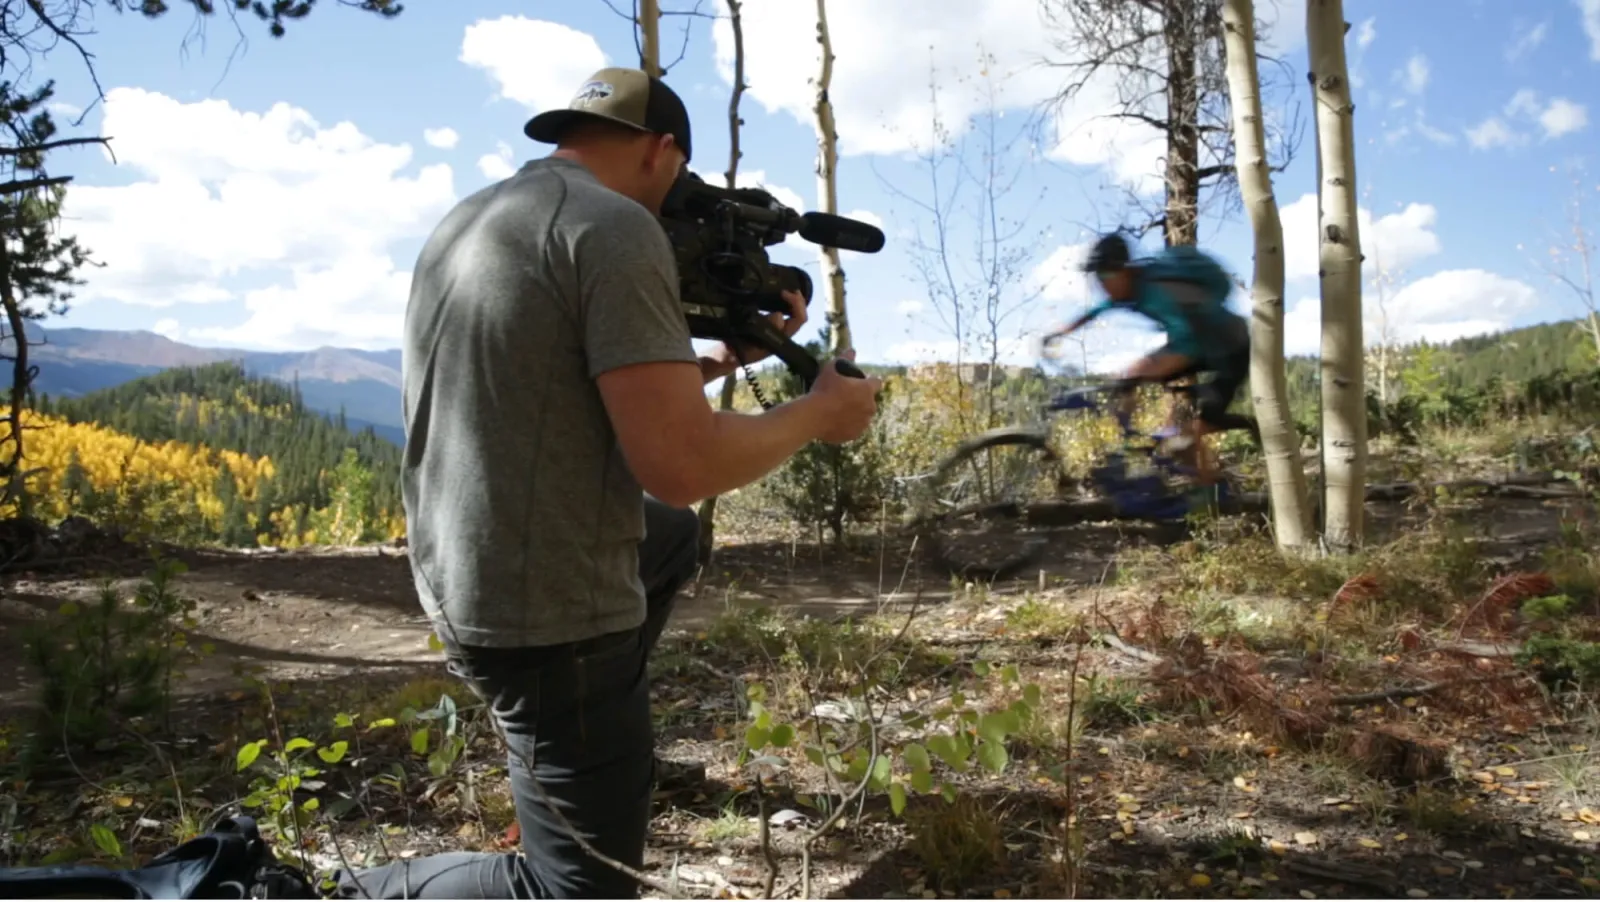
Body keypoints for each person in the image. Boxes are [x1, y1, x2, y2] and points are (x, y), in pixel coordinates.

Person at [335, 67, 882, 899]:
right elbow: (684, 465)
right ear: (663, 151)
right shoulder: (615, 228)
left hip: (461, 562)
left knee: (668, 538)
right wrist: (817, 414)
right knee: (575, 892)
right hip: (545, 611)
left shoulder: (477, 218)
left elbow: (549, 380)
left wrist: (718, 363)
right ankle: (344, 890)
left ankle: (579, 746)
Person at [1041, 232, 1258, 487]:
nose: (1102, 284)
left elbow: (1188, 343)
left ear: (1124, 270)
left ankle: (1211, 496)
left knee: (1194, 431)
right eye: (1097, 277)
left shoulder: (1158, 291)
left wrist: (1141, 371)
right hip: (1200, 345)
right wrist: (1061, 332)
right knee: (1131, 384)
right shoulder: (1129, 290)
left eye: (1106, 276)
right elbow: (1097, 310)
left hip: (1229, 349)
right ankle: (1139, 449)